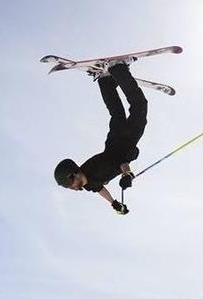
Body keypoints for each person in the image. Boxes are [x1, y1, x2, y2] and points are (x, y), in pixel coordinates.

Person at [53, 62, 147, 215]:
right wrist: (114, 204)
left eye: (69, 183)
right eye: (67, 187)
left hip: (125, 141)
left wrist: (127, 174)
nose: (71, 188)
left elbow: (121, 162)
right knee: (117, 113)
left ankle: (119, 70)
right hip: (114, 139)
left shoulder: (96, 169)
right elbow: (100, 189)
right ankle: (105, 80)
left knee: (139, 105)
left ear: (74, 174)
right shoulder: (88, 183)